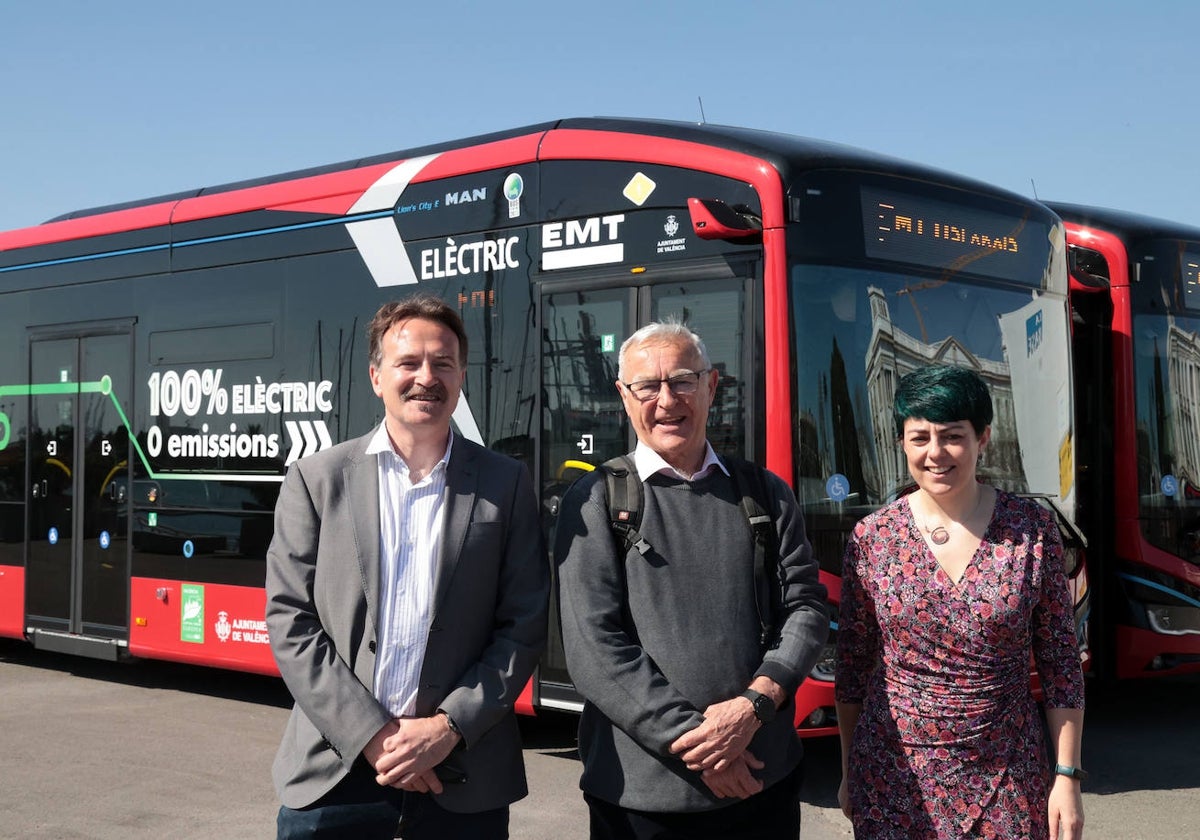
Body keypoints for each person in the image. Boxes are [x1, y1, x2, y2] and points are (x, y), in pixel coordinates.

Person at [265, 294, 549, 839]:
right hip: (334, 774)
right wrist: (373, 735)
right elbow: (290, 620)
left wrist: (445, 730)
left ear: (461, 376)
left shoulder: (505, 483)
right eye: (408, 363)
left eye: (443, 363)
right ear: (376, 377)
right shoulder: (316, 479)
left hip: (463, 776)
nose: (427, 377)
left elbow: (523, 624)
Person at [554, 320, 830, 839]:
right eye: (647, 386)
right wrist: (706, 745)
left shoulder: (765, 492)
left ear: (711, 386)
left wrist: (755, 705)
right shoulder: (594, 502)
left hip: (763, 784)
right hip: (642, 800)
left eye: (682, 380)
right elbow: (595, 651)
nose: (666, 400)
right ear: (623, 395)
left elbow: (807, 607)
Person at [835, 364, 1085, 839]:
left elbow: (1061, 666)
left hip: (1008, 775)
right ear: (901, 443)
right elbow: (852, 669)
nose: (935, 453)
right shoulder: (873, 538)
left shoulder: (1032, 530)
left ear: (982, 437)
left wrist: (1067, 777)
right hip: (892, 774)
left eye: (952, 436)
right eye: (919, 437)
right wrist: (849, 769)